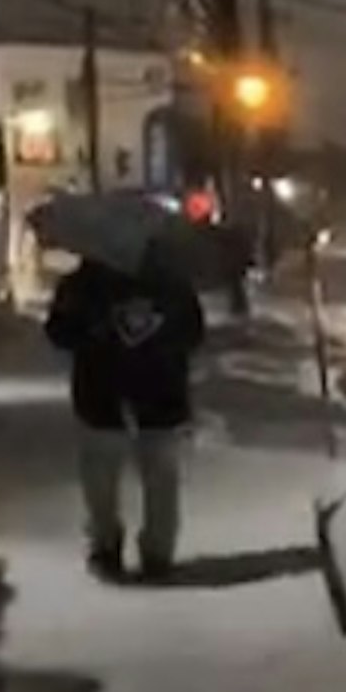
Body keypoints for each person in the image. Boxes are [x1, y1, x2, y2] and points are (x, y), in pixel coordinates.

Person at [45, 240, 205, 582]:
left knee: (118, 476)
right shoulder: (165, 283)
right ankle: (140, 550)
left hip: (118, 393)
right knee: (146, 477)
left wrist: (99, 334)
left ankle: (125, 548)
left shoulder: (88, 283)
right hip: (138, 392)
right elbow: (193, 333)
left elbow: (58, 331)